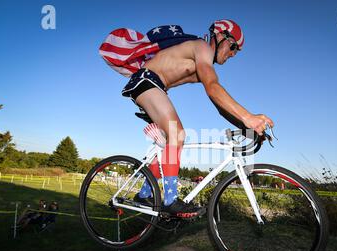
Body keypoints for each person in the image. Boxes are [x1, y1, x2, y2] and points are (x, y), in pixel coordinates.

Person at [100, 20, 274, 218]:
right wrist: (249, 117)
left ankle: (144, 195)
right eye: (233, 46)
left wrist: (246, 126)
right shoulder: (201, 48)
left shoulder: (203, 64)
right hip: (146, 81)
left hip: (154, 86)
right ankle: (171, 201)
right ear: (219, 36)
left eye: (237, 51)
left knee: (169, 144)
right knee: (178, 134)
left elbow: (219, 106)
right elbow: (213, 87)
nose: (233, 53)